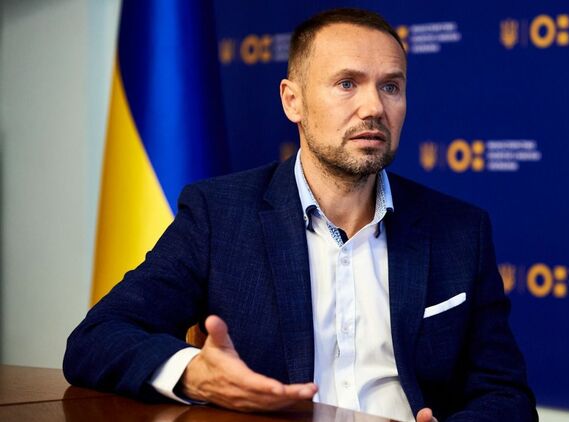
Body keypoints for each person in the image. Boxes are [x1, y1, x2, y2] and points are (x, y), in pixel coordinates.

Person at [64, 8, 537, 422]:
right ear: (293, 100)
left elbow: (506, 394)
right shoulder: (219, 216)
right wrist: (194, 374)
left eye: (391, 87)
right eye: (347, 84)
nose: (374, 107)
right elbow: (97, 338)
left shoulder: (460, 230)